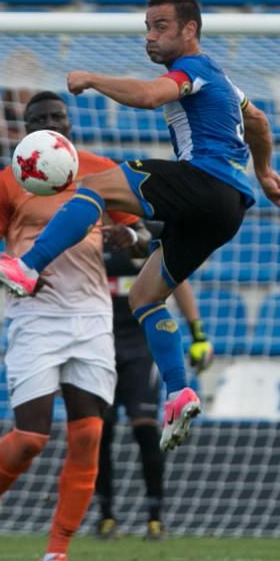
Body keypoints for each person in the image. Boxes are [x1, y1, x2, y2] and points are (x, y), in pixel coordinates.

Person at [0, 0, 280, 454]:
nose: (150, 37)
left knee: (95, 188)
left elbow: (146, 96)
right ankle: (179, 392)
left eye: (160, 27)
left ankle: (29, 265)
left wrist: (94, 79)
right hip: (229, 209)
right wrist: (262, 171)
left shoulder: (194, 70)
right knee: (145, 296)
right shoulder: (225, 81)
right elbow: (256, 121)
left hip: (205, 181)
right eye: (147, 27)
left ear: (190, 31)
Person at [0, 91, 139, 561]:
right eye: (39, 118)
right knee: (31, 438)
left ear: (69, 121)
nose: (50, 123)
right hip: (35, 318)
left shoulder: (102, 171)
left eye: (57, 116)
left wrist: (132, 239)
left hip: (92, 316)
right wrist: (5, 273)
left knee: (89, 434)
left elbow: (141, 236)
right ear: (25, 126)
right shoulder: (6, 182)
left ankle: (55, 555)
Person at [95, 220, 213, 541]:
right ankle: (105, 516)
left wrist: (197, 333)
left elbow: (178, 281)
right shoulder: (90, 234)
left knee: (145, 429)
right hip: (100, 344)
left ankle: (155, 516)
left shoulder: (144, 235)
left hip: (140, 346)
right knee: (99, 431)